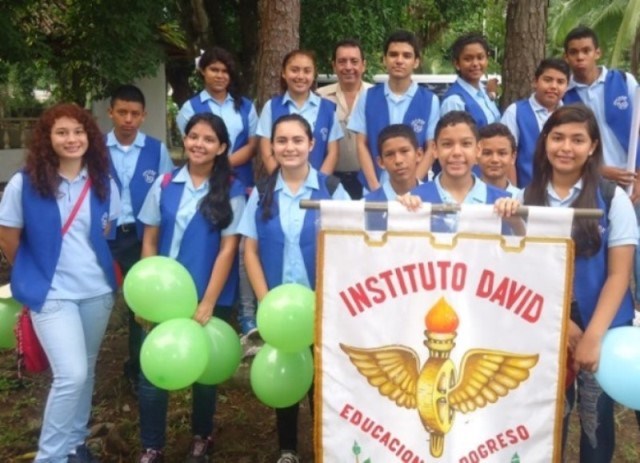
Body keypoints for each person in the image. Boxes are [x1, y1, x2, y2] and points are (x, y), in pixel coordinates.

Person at [496, 104, 637, 462]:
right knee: (546, 422)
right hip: (544, 327)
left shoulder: (612, 198)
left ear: (592, 147)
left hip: (600, 326)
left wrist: (591, 337)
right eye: (557, 137)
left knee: (595, 424)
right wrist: (565, 327)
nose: (566, 147)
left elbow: (619, 274)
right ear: (545, 142)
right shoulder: (523, 199)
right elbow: (522, 271)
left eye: (577, 140)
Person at [0, 103, 120, 463]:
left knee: (86, 369)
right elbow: (8, 237)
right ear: (47, 138)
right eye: (62, 132)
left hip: (96, 291)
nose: (72, 139)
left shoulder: (103, 181)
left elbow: (107, 232)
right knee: (71, 374)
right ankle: (50, 457)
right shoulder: (25, 183)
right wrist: (31, 271)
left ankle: (74, 444)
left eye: (78, 131)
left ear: (89, 136)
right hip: (51, 294)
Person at [239, 114, 350, 463]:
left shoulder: (331, 189)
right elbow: (250, 250)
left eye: (297, 140)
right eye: (282, 141)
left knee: (323, 379)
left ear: (311, 144)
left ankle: (324, 449)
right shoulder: (261, 192)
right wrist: (266, 301)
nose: (290, 147)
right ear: (272, 146)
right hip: (279, 306)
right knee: (285, 372)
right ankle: (288, 449)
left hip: (321, 305)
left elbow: (350, 245)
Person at [136, 113, 246, 463]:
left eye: (209, 139)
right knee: (152, 373)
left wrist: (208, 302)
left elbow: (228, 249)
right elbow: (149, 240)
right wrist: (146, 295)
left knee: (204, 371)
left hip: (207, 294)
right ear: (184, 140)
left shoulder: (233, 189)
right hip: (162, 297)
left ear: (222, 147)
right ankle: (152, 446)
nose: (199, 144)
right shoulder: (166, 183)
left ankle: (202, 437)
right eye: (194, 136)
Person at [176, 46, 261, 347]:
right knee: (209, 243)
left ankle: (245, 315)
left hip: (238, 185)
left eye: (225, 71)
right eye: (214, 69)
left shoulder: (245, 106)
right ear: (203, 71)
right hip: (204, 182)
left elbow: (252, 146)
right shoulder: (190, 107)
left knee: (240, 249)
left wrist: (222, 164)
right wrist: (213, 163)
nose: (220, 75)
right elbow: (195, 147)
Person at [106, 84, 174, 392]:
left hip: (139, 237)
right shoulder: (95, 148)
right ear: (111, 112)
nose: (128, 119)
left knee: (142, 303)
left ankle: (137, 367)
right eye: (122, 112)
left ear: (144, 116)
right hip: (104, 238)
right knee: (97, 299)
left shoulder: (156, 150)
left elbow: (167, 190)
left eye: (134, 113)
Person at [348, 30, 439, 191]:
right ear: (384, 59)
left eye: (406, 56)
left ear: (416, 62)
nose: (399, 60)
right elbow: (361, 143)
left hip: (415, 192)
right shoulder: (367, 97)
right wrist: (374, 186)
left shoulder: (430, 100)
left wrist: (413, 187)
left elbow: (431, 149)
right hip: (373, 186)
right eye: (393, 55)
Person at [401, 111, 510, 232]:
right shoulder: (415, 199)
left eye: (466, 144)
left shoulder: (503, 202)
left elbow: (518, 241)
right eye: (447, 144)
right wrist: (402, 211)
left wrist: (515, 220)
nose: (457, 152)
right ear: (435, 149)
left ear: (478, 149)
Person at [257, 50, 343, 175]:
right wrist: (281, 181)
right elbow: (266, 153)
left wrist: (319, 182)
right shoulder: (271, 107)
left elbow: (333, 153)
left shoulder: (328, 109)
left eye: (307, 71)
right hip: (281, 183)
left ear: (314, 74)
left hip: (318, 184)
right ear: (283, 73)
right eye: (294, 70)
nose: (300, 76)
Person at [317, 39, 372, 199]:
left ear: (363, 65)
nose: (348, 67)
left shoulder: (375, 96)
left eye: (354, 61)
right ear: (334, 65)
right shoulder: (320, 97)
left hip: (367, 179)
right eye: (342, 61)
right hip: (330, 179)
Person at [501, 58, 570, 188]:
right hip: (526, 193)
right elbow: (507, 158)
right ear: (535, 81)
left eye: (560, 82)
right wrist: (514, 194)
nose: (553, 86)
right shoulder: (515, 112)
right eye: (548, 80)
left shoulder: (571, 116)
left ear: (567, 87)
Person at [440, 33, 501, 127]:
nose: (475, 63)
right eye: (468, 59)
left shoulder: (484, 91)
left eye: (480, 57)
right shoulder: (454, 101)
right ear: (457, 64)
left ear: (487, 60)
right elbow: (454, 135)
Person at [477, 123, 520, 196]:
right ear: (476, 155)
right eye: (487, 153)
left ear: (513, 157)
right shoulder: (464, 197)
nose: (495, 160)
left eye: (502, 153)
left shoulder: (521, 198)